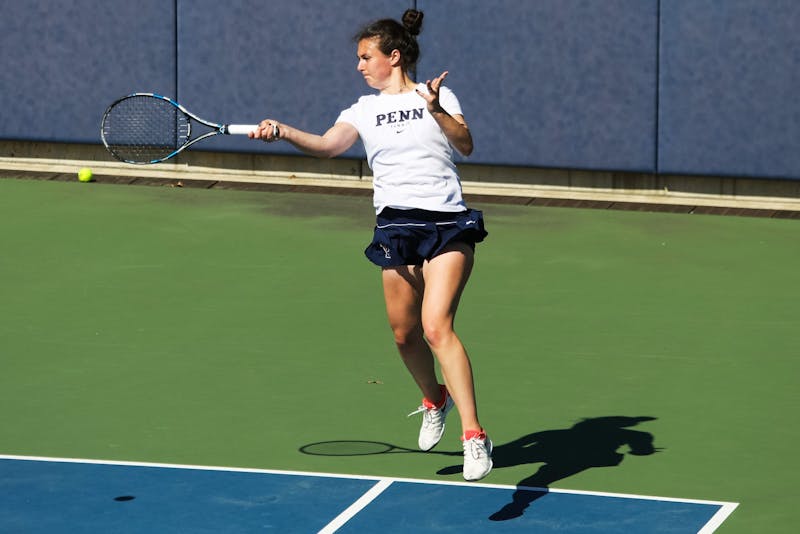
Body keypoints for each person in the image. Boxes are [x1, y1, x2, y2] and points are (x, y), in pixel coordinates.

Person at [249, 9, 492, 481]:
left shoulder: (434, 96)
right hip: (395, 228)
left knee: (436, 326)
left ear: (393, 56)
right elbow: (327, 145)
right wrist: (282, 131)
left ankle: (474, 436)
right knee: (405, 336)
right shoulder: (362, 109)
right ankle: (434, 398)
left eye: (366, 57)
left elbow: (466, 145)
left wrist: (438, 108)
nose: (359, 66)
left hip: (447, 225)